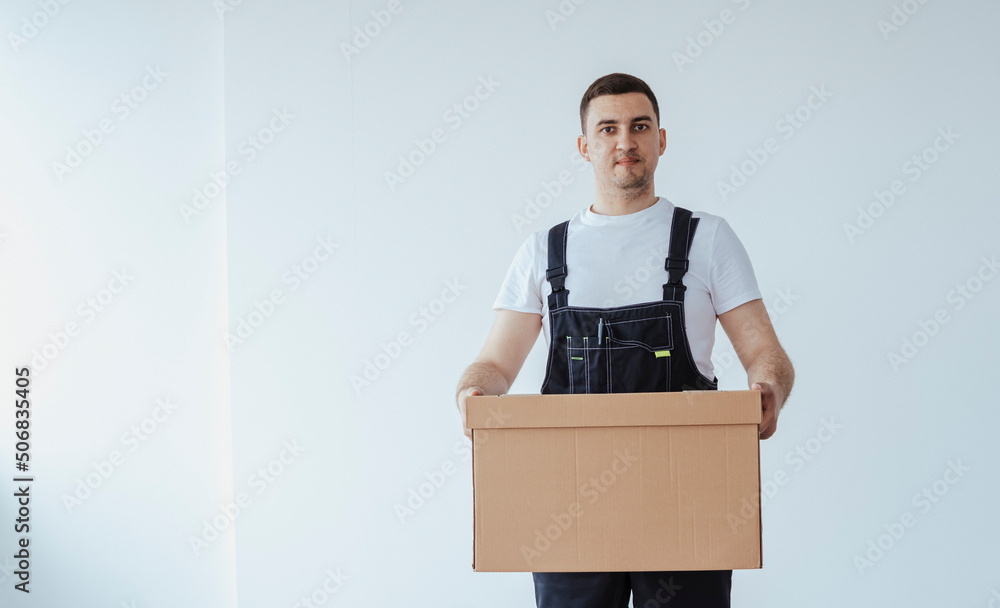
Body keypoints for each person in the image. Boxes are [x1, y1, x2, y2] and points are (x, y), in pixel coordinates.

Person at [454, 73, 794, 608]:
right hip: (568, 503)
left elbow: (764, 352)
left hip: (687, 497)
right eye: (608, 128)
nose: (625, 141)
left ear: (661, 140)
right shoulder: (544, 252)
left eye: (639, 126)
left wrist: (769, 386)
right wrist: (472, 396)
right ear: (585, 146)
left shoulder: (707, 239)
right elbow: (494, 364)